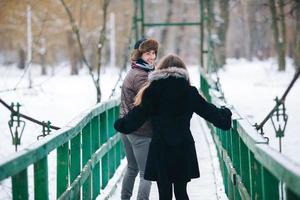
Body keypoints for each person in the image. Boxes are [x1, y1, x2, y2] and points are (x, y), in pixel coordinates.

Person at [114, 54, 232, 200]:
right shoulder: (189, 92)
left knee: (164, 194)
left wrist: (120, 124)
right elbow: (211, 114)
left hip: (160, 149)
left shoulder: (151, 92)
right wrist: (225, 114)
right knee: (182, 193)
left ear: (161, 70)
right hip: (183, 148)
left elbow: (136, 118)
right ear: (183, 71)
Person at [119, 38, 159, 200]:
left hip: (127, 128)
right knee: (146, 174)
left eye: (154, 53)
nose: (151, 57)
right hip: (140, 131)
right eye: (147, 53)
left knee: (132, 168)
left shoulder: (136, 71)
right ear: (139, 54)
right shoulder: (141, 76)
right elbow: (150, 103)